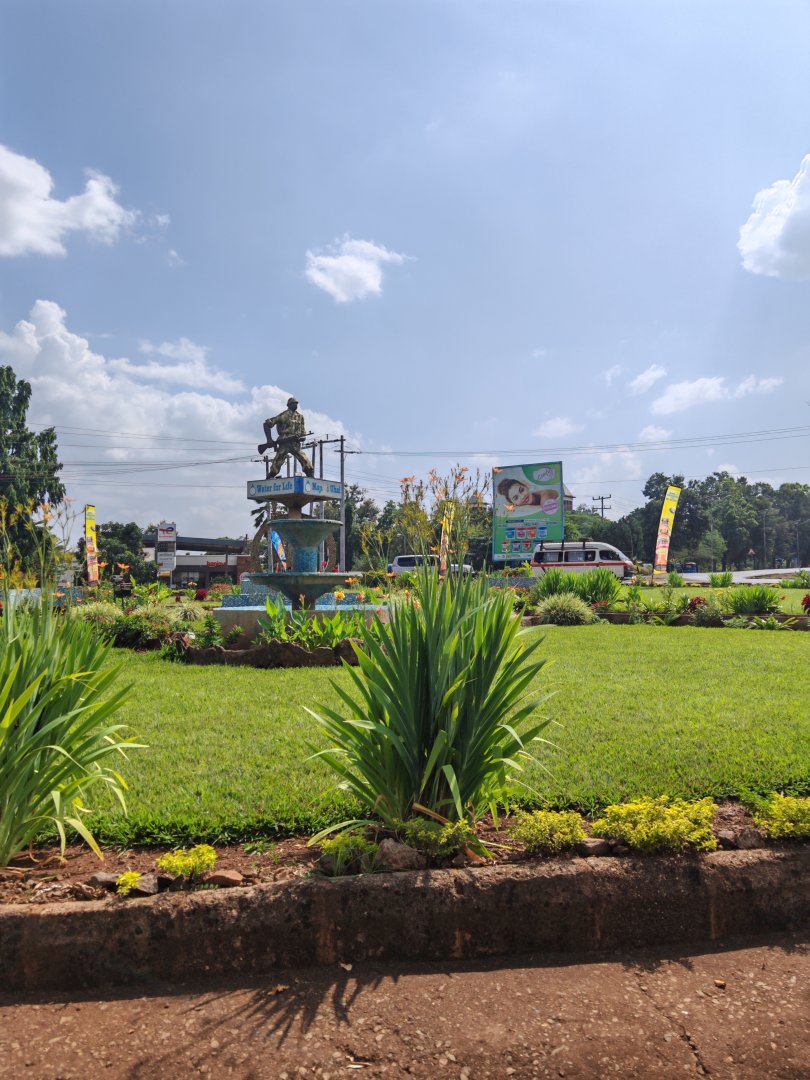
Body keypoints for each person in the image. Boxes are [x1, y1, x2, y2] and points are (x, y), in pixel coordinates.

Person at [258, 396, 314, 477]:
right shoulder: (283, 415)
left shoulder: (300, 417)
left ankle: (310, 474)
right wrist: (269, 439)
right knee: (277, 462)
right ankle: (271, 476)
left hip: (295, 444)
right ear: (289, 405)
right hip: (284, 443)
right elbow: (266, 424)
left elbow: (303, 434)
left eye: (296, 403)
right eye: (293, 403)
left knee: (305, 460)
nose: (295, 405)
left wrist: (300, 438)